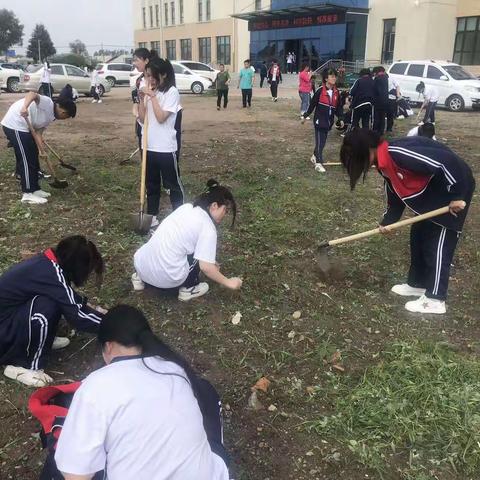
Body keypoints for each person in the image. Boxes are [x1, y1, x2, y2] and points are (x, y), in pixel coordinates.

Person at [54, 305, 230, 480]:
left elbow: (75, 474)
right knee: (205, 391)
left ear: (108, 346)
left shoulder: (94, 385)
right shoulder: (174, 368)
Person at [340, 129, 475, 314]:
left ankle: (435, 299)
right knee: (419, 235)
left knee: (438, 243)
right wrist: (389, 220)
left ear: (368, 149)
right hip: (433, 190)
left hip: (454, 188)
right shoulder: (383, 162)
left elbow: (447, 163)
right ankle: (418, 283)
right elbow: (395, 189)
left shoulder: (399, 154)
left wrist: (457, 194)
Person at [0, 236, 107, 387]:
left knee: (51, 300)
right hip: (3, 335)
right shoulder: (53, 272)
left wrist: (97, 311)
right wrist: (112, 324)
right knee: (46, 307)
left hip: (8, 322)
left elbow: (68, 297)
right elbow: (78, 315)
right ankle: (25, 366)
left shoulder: (47, 263)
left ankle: (41, 339)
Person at [132, 179, 243, 302]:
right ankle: (189, 288)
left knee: (164, 239)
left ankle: (139, 278)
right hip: (167, 278)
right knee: (197, 258)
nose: (225, 215)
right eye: (225, 210)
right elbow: (206, 267)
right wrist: (229, 282)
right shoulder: (208, 227)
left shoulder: (186, 208)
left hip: (141, 266)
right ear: (214, 206)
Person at [1, 92, 77, 204]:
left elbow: (38, 134)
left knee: (33, 156)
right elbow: (32, 94)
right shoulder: (47, 103)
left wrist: (42, 151)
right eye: (66, 117)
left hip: (26, 128)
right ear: (63, 112)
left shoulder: (51, 117)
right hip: (15, 124)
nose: (64, 119)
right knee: (26, 159)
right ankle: (27, 193)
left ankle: (35, 189)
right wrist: (24, 107)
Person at [138, 58, 184, 232]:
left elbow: (161, 117)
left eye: (152, 76)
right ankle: (152, 218)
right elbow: (143, 119)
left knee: (173, 185)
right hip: (148, 146)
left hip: (166, 148)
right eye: (147, 75)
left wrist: (152, 97)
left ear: (163, 74)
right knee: (151, 185)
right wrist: (141, 99)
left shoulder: (171, 92)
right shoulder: (150, 92)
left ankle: (180, 217)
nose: (149, 79)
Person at [301, 68, 343, 173]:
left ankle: (314, 156)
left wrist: (341, 118)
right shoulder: (320, 91)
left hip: (329, 122)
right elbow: (312, 105)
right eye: (331, 76)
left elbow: (338, 108)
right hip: (319, 122)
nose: (334, 78)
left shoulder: (336, 92)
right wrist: (305, 116)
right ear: (326, 78)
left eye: (335, 76)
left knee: (322, 142)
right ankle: (318, 163)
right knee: (320, 142)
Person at [132, 48, 158, 151]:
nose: (134, 63)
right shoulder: (139, 80)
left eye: (136, 60)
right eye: (133, 60)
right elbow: (136, 100)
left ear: (146, 61)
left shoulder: (157, 79)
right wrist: (135, 108)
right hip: (143, 120)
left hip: (157, 120)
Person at [372, 66, 389, 135]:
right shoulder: (386, 78)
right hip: (385, 100)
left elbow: (375, 90)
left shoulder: (377, 79)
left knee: (376, 117)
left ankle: (375, 131)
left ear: (377, 72)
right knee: (382, 117)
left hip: (378, 100)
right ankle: (381, 131)